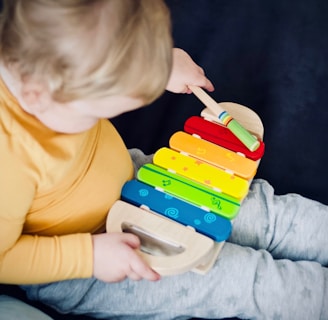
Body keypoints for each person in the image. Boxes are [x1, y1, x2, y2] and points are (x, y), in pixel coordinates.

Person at [0, 1, 327, 319]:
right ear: (37, 96)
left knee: (269, 216)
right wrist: (88, 256)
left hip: (138, 181)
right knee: (252, 282)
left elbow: (108, 41)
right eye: (100, 113)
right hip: (94, 258)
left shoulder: (57, 54)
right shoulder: (8, 159)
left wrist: (156, 66)